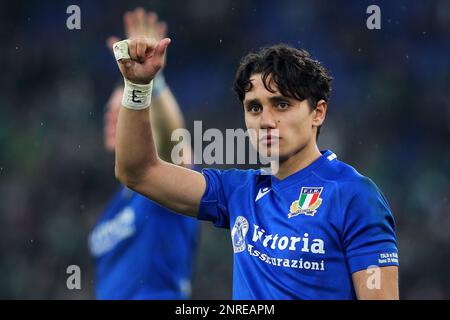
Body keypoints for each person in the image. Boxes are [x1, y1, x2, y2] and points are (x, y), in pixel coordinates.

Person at [111, 32, 399, 299]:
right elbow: (138, 171)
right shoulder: (237, 192)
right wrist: (138, 86)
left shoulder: (354, 196)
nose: (266, 121)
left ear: (318, 112)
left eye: (282, 104)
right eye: (254, 107)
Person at [88, 8, 198, 300]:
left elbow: (174, 140)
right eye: (109, 115)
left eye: (121, 113)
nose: (113, 119)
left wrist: (150, 82)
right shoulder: (114, 206)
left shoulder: (162, 183)